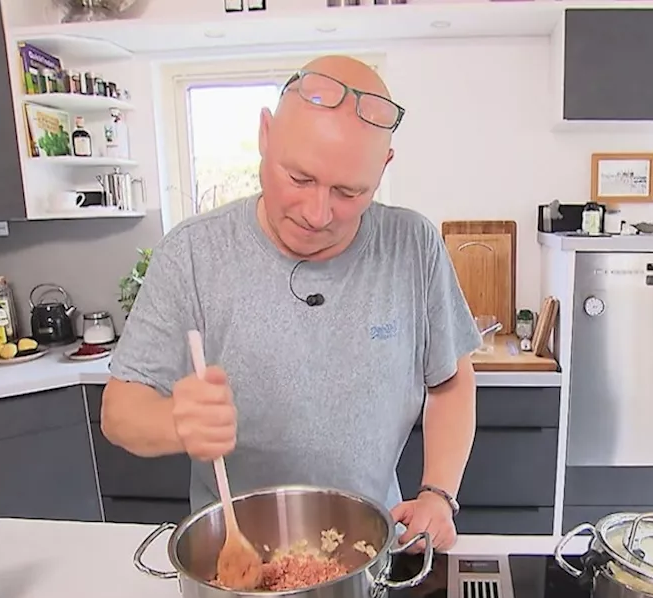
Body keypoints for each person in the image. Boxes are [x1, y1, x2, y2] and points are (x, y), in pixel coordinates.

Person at [100, 55, 481, 552]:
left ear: (383, 168)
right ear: (265, 135)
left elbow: (450, 380)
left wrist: (437, 493)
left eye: (348, 192)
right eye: (299, 178)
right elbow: (119, 410)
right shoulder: (193, 254)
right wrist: (174, 421)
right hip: (234, 559)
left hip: (370, 551)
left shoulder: (412, 246)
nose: (317, 214)